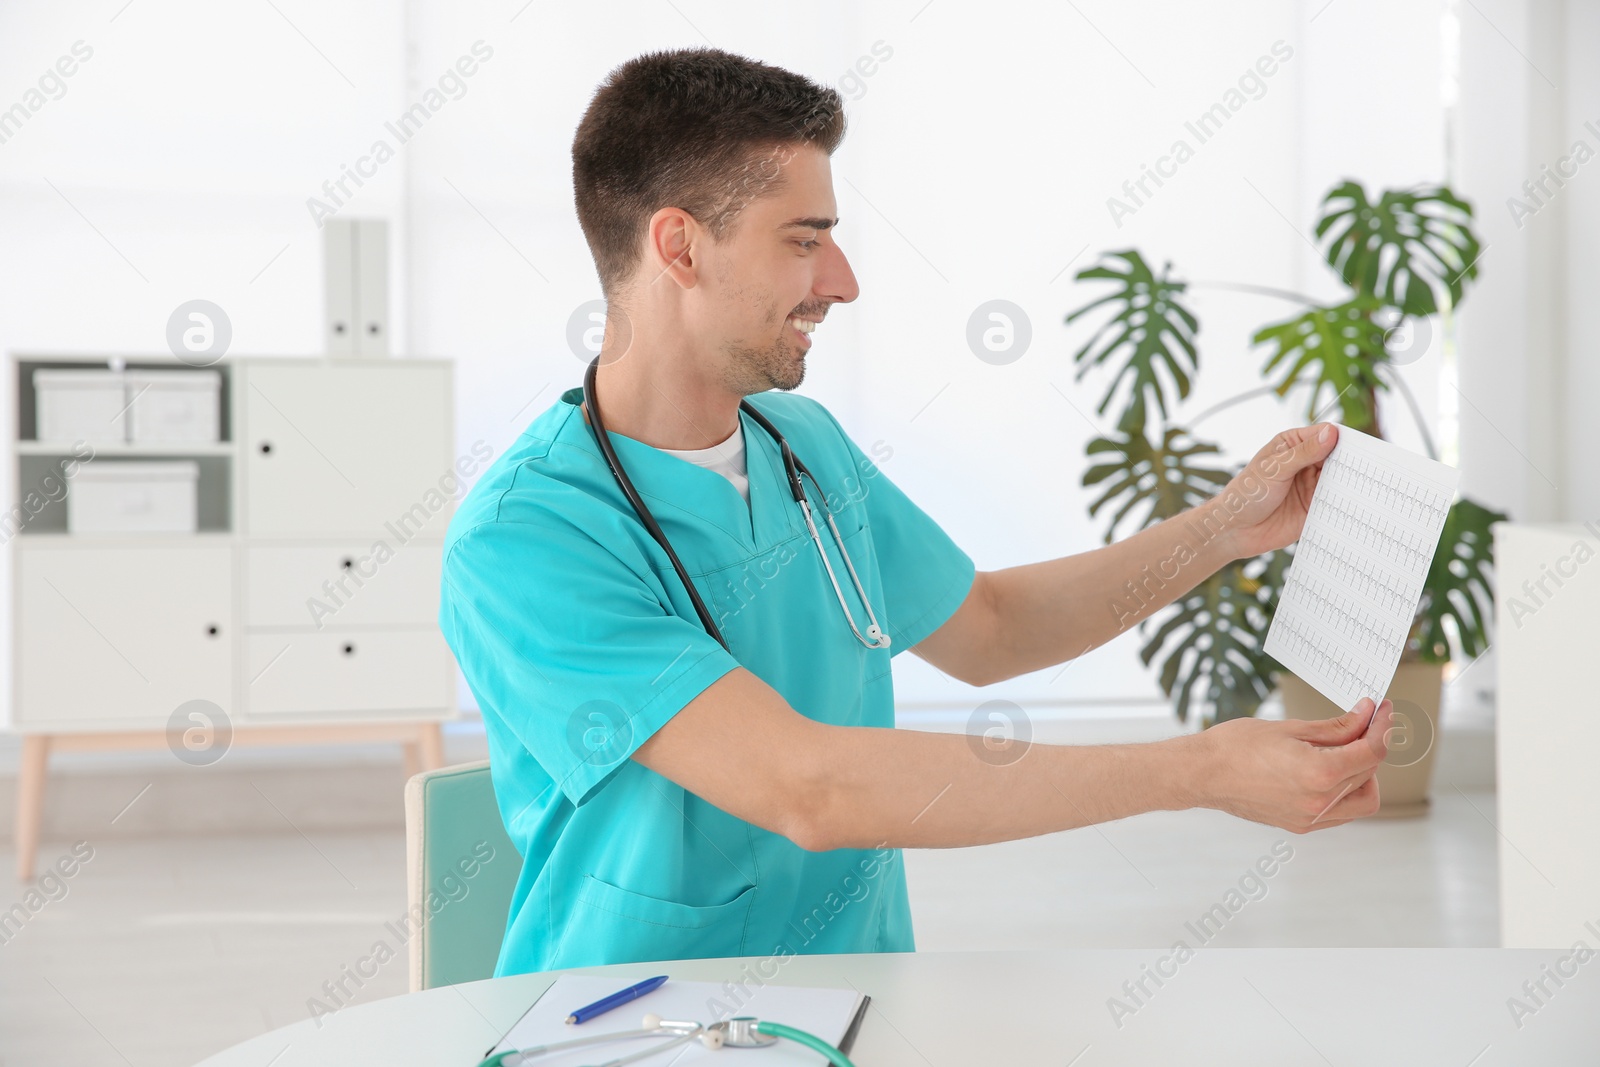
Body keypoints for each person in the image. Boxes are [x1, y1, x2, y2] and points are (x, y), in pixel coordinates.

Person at [437, 46, 1393, 978]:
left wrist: (1228, 526)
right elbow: (806, 785)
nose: (842, 280)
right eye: (804, 240)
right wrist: (1199, 773)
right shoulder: (526, 537)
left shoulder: (801, 446)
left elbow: (989, 629)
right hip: (627, 1024)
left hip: (865, 999)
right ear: (680, 245)